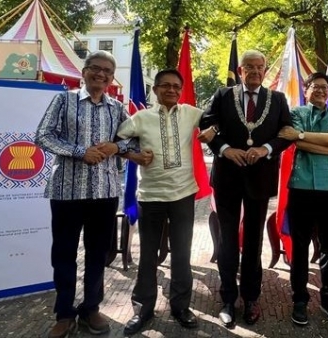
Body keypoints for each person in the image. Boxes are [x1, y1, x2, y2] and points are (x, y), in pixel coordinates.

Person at [35, 50, 136, 338]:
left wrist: (117, 147)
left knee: (98, 253)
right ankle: (64, 314)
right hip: (66, 191)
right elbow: (42, 135)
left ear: (111, 77)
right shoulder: (63, 99)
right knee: (64, 254)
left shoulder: (117, 108)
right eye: (96, 68)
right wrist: (81, 152)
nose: (101, 74)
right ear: (85, 70)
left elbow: (134, 140)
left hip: (104, 193)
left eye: (107, 70)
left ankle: (91, 307)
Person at [117, 69, 217, 335]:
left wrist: (213, 129)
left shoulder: (192, 113)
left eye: (176, 86)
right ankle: (143, 309)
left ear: (181, 90)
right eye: (165, 86)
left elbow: (219, 118)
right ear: (156, 90)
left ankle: (181, 307)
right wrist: (133, 154)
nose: (171, 90)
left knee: (182, 253)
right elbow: (118, 139)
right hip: (151, 196)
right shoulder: (141, 118)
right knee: (147, 255)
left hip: (183, 194)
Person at [199, 49, 292, 327]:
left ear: (265, 71)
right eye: (248, 67)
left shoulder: (277, 99)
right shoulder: (223, 95)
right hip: (227, 177)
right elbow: (206, 124)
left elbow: (286, 132)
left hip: (260, 178)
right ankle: (228, 298)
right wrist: (225, 149)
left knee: (253, 241)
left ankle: (251, 298)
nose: (254, 71)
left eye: (259, 67)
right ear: (240, 71)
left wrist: (266, 149)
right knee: (227, 240)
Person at [278, 72, 328, 326]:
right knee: (300, 246)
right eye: (314, 87)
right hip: (302, 187)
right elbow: (294, 140)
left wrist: (302, 136)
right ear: (305, 90)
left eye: (324, 88)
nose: (320, 91)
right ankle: (299, 299)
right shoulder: (296, 113)